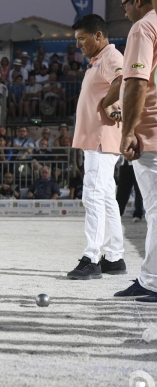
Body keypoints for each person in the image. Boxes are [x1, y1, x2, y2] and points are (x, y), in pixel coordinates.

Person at [66, 15, 128, 281]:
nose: (78, 44)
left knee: (92, 195)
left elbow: (125, 80)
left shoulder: (110, 57)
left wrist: (108, 105)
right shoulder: (98, 61)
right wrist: (110, 104)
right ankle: (114, 257)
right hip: (99, 138)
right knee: (105, 198)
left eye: (82, 38)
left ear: (98, 36)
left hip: (100, 139)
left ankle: (92, 258)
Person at [114, 0, 157, 303]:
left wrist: (129, 130)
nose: (123, 10)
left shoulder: (143, 27)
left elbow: (137, 82)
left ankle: (152, 282)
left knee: (155, 210)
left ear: (138, 1)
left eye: (124, 3)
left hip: (152, 133)